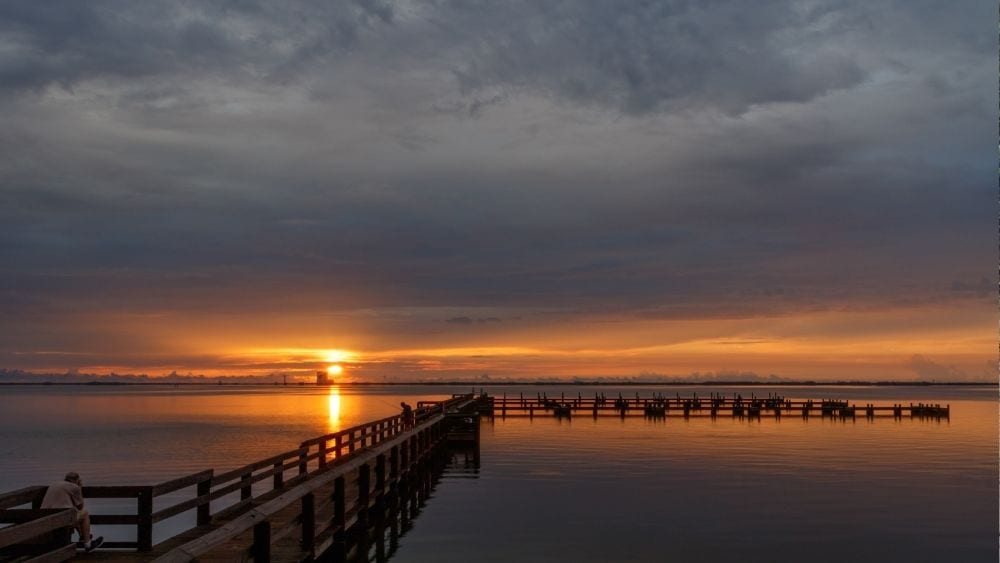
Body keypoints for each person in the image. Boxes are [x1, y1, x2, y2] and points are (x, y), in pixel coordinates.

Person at [40, 472, 103, 552]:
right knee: (85, 513)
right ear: (77, 480)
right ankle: (88, 544)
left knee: (74, 513)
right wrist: (79, 487)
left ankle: (83, 536)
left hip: (44, 519)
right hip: (59, 521)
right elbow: (80, 506)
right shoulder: (74, 487)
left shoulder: (54, 484)